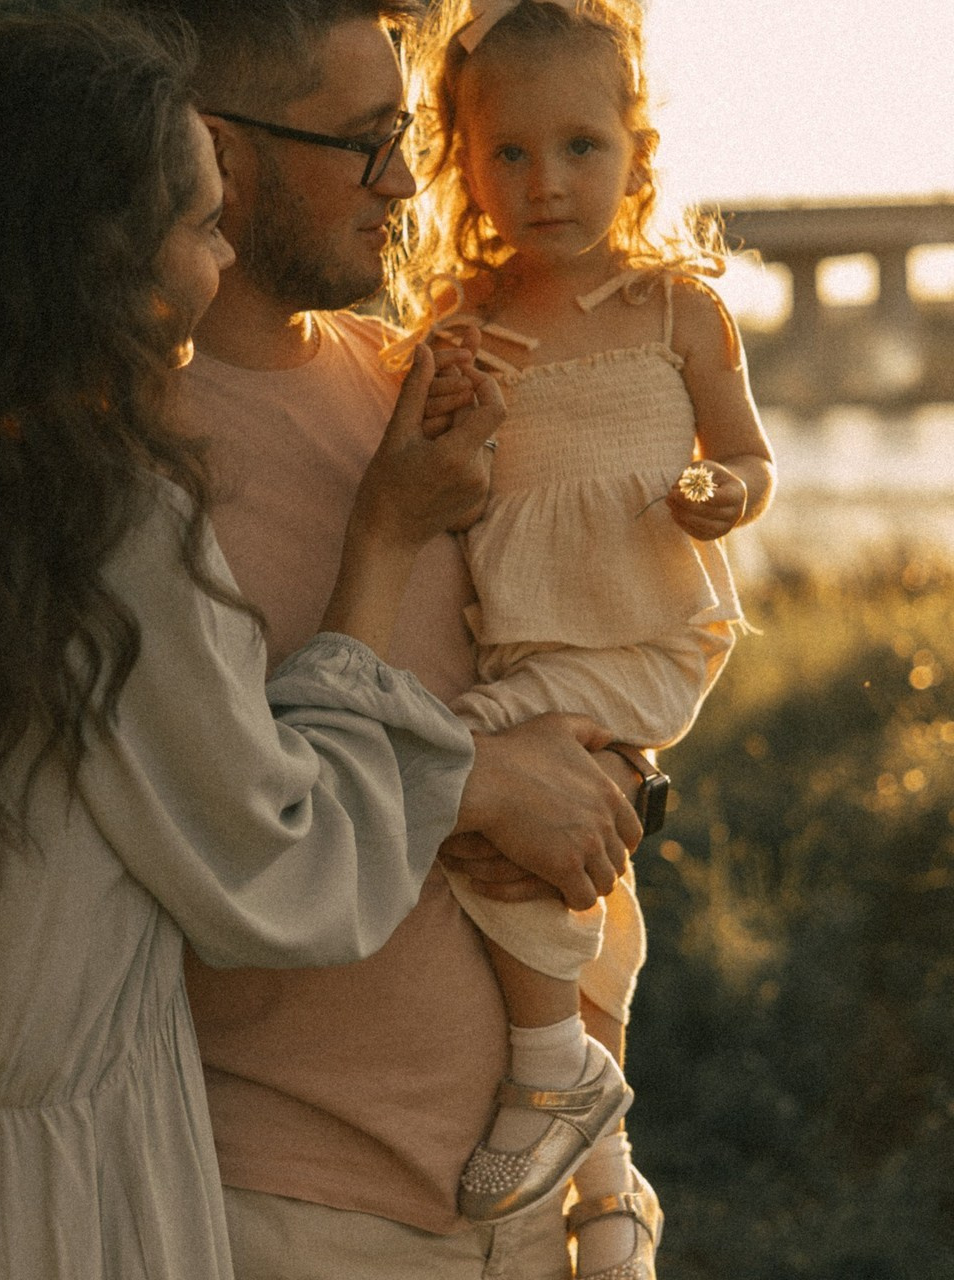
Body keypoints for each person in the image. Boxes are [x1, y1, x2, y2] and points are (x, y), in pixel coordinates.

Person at [0, 13, 510, 1279]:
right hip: (43, 1196)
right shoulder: (106, 516)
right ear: (89, 255)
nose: (223, 258)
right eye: (198, 221)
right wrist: (383, 541)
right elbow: (280, 864)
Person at [113, 2, 648, 1277]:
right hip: (287, 1208)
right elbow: (209, 835)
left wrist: (608, 769)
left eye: (403, 132)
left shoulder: (422, 376)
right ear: (216, 153)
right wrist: (476, 782)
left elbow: (561, 697)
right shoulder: (125, 458)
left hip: (527, 1197)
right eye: (362, 140)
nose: (407, 179)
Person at [393, 0, 776, 1273]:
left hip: (638, 628)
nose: (545, 182)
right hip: (526, 643)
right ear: (461, 159)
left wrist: (720, 492)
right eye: (508, 153)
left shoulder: (674, 309)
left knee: (442, 772)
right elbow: (434, 492)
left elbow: (745, 454)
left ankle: (553, 1066)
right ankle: (606, 1193)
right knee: (559, 857)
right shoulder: (459, 319)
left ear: (635, 150)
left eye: (579, 149)